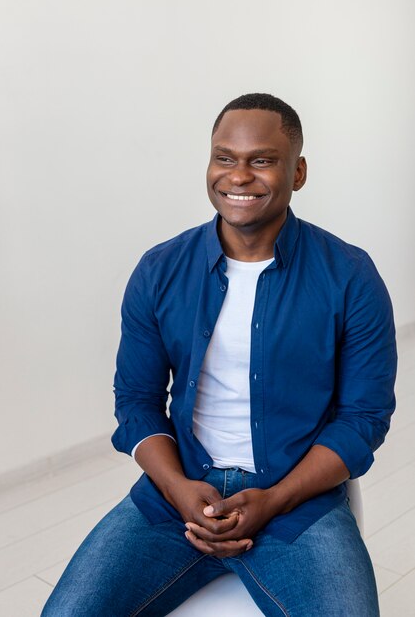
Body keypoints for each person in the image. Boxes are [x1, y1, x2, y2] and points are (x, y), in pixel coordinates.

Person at [41, 93, 397, 617]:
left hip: (297, 503)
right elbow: (136, 402)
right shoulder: (160, 270)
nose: (238, 176)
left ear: (297, 172)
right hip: (177, 499)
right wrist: (180, 489)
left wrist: (274, 500)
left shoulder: (350, 276)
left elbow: (363, 419)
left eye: (262, 161)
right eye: (225, 158)